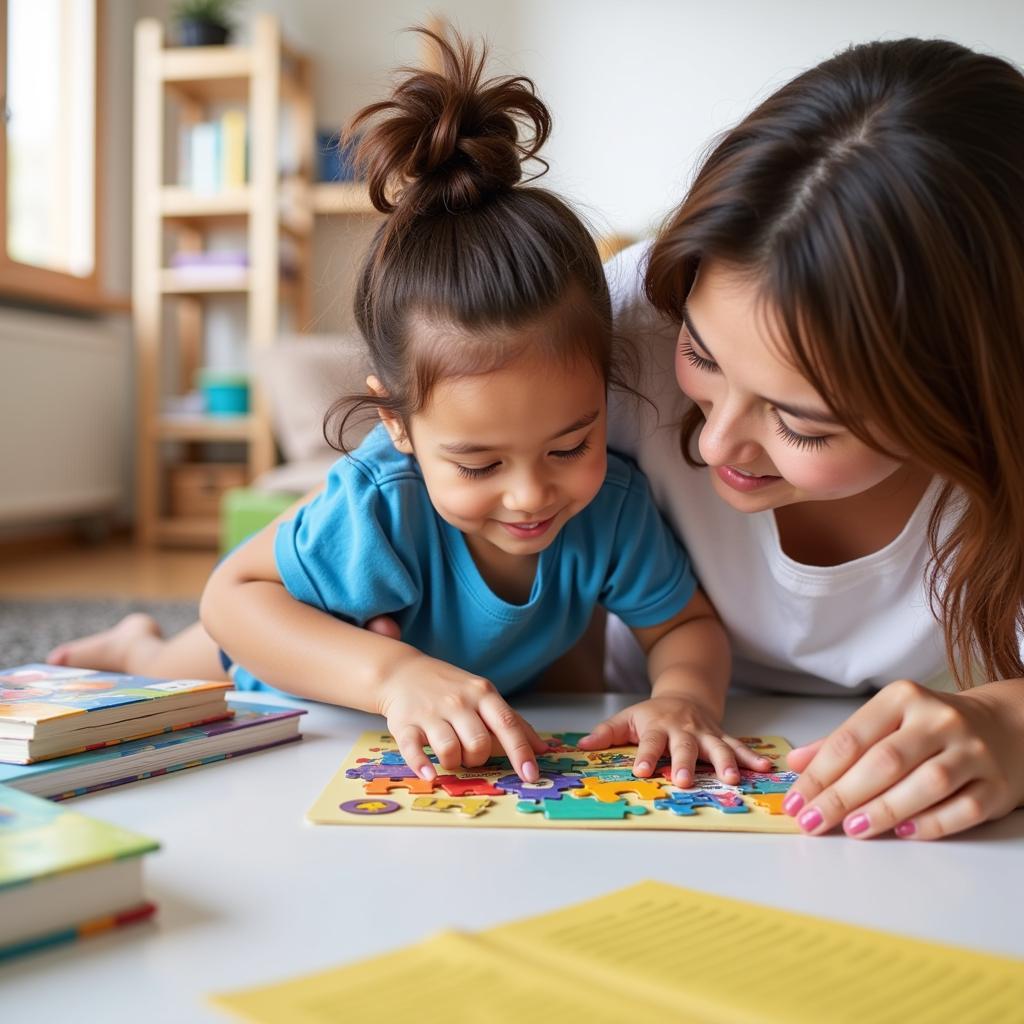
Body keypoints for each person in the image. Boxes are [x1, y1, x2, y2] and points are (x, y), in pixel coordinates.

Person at [48, 30, 772, 788]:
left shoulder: (613, 510)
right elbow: (233, 600)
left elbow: (684, 626)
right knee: (163, 679)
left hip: (440, 713)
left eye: (569, 445)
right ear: (396, 424)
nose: (531, 494)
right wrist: (394, 674)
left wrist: (684, 698)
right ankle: (132, 641)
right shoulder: (380, 504)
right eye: (479, 462)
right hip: (290, 679)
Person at [585, 37, 1024, 840]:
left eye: (801, 423)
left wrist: (1013, 727)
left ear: (964, 402)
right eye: (701, 356)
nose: (718, 444)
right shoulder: (625, 321)